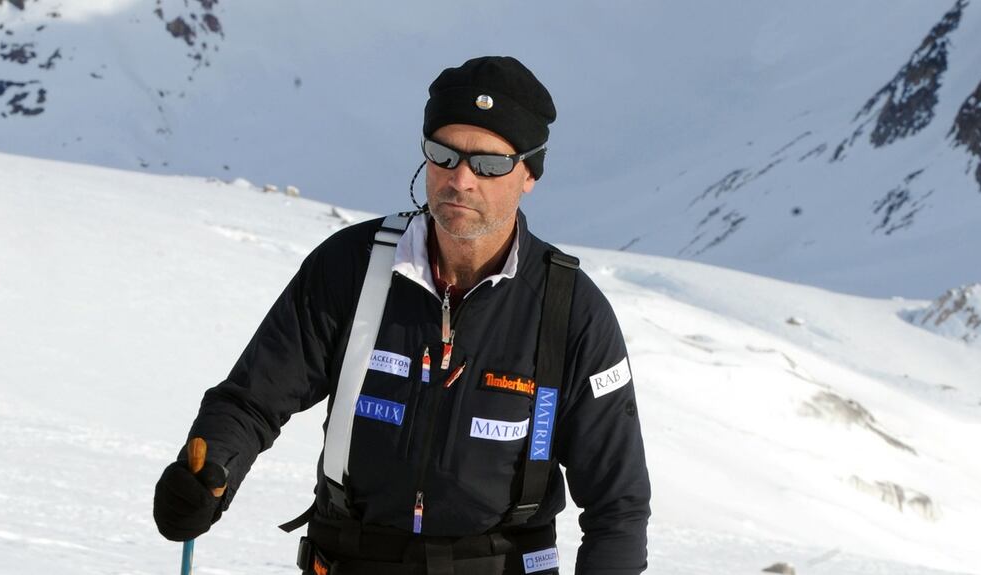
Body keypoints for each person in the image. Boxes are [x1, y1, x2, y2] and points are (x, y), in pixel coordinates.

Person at [153, 55, 650, 575]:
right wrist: (210, 471)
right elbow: (252, 400)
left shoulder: (570, 309)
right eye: (444, 154)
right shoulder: (353, 266)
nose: (462, 179)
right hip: (351, 560)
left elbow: (618, 505)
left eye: (489, 163)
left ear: (529, 172)